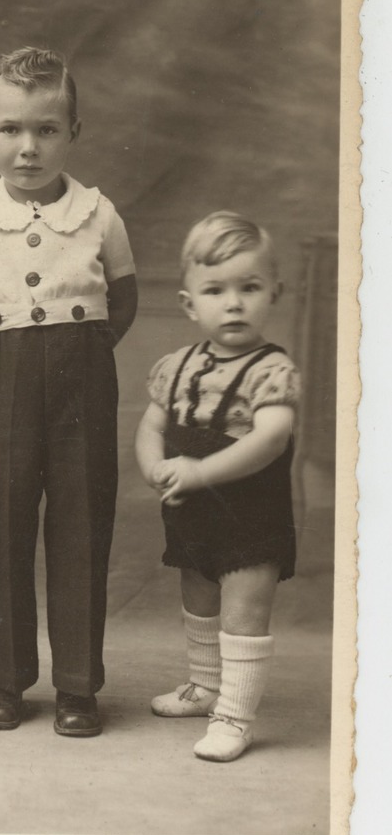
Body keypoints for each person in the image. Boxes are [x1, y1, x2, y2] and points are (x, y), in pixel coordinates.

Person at [0, 47, 137, 737]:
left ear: (73, 133)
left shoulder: (98, 215)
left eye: (46, 130)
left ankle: (78, 686)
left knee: (82, 528)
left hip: (80, 386)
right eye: (11, 130)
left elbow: (123, 299)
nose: (28, 148)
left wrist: (79, 358)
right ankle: (4, 680)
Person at [135, 211, 300, 761]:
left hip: (251, 515)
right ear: (189, 303)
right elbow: (152, 426)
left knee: (243, 613)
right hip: (194, 511)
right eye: (216, 290)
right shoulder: (176, 366)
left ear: (273, 293)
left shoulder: (271, 370)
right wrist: (154, 465)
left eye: (249, 288)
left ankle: (235, 715)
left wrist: (201, 471)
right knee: (199, 597)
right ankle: (205, 685)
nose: (233, 303)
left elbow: (272, 438)